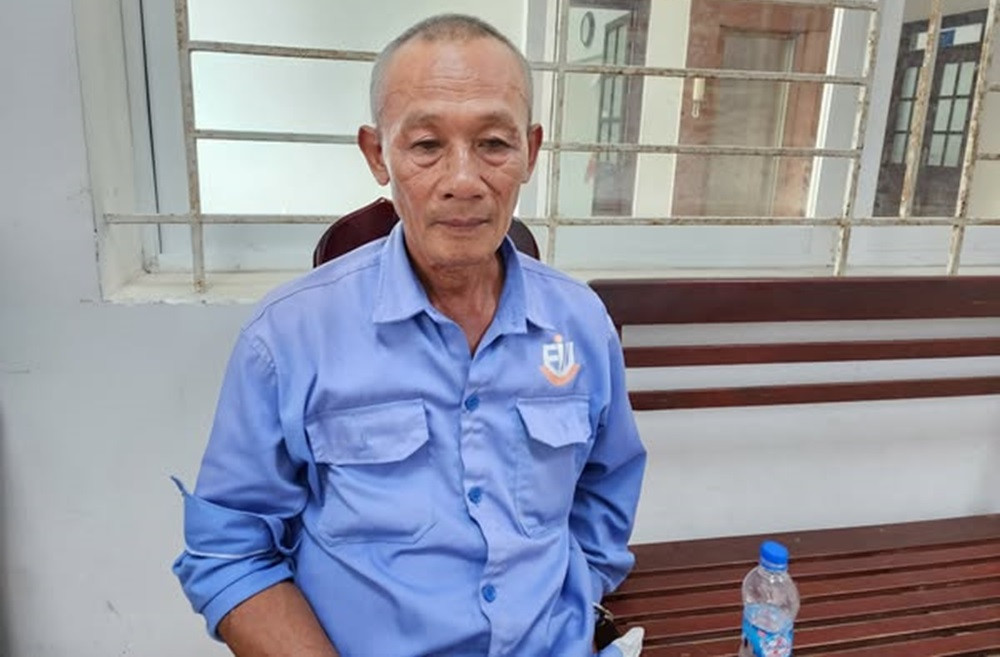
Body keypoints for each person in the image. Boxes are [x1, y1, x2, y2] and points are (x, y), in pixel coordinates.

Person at [173, 13, 646, 657]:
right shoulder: (287, 337)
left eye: (494, 143)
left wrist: (575, 597)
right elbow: (230, 554)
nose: (463, 181)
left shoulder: (580, 323)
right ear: (378, 154)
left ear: (531, 152)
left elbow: (606, 488)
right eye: (426, 145)